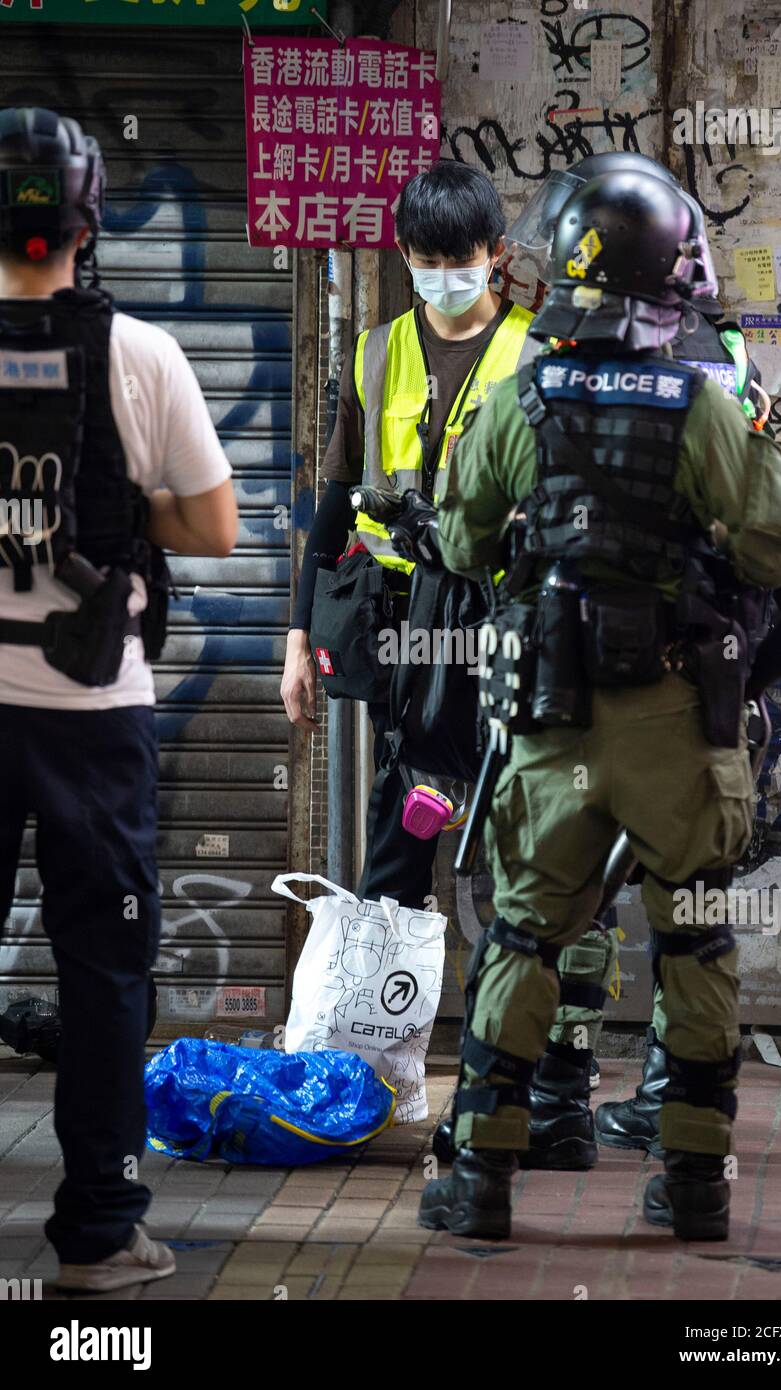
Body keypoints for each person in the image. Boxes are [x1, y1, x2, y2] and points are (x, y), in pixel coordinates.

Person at [420, 168, 781, 1241]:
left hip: (555, 719)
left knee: (525, 937)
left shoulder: (519, 397)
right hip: (682, 722)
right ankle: (694, 1185)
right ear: (669, 278)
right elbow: (780, 547)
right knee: (694, 943)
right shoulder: (701, 405)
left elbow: (460, 543)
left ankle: (484, 1180)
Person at [0, 107, 237, 1292]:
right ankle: (96, 1231)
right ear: (90, 218)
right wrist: (104, 515)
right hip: (95, 711)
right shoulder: (138, 352)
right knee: (103, 972)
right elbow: (215, 522)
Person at [281, 161, 537, 908]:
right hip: (398, 627)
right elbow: (334, 501)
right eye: (428, 262)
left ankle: (518, 1006)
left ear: (496, 253)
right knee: (401, 821)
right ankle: (374, 1012)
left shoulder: (536, 354)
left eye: (461, 260)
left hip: (497, 620)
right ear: (403, 254)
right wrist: (299, 637)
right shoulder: (375, 351)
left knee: (514, 829)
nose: (445, 276)